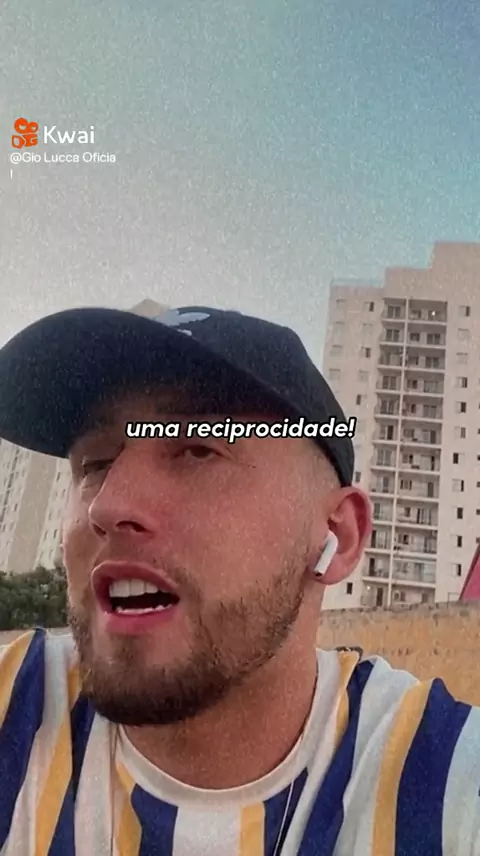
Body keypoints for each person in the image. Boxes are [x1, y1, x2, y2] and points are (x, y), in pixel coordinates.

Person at [0, 304, 478, 856]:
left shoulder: (447, 780)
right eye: (95, 463)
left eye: (197, 449)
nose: (108, 506)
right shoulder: (17, 711)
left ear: (336, 536)